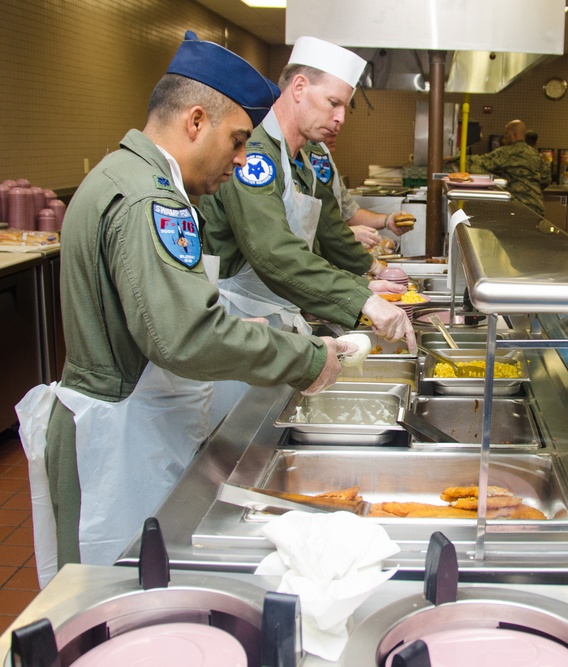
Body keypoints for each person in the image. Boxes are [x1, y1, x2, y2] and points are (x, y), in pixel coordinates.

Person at [28, 31, 353, 570]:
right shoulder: (149, 199)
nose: (241, 160)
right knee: (118, 607)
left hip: (135, 427)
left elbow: (160, 309)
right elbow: (185, 334)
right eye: (237, 140)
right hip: (120, 441)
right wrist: (307, 358)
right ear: (196, 121)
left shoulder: (132, 176)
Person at [200, 36, 415, 349]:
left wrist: (367, 279)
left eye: (345, 107)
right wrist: (362, 299)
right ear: (299, 87)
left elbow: (330, 229)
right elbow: (272, 250)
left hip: (280, 311)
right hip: (239, 319)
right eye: (333, 103)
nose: (341, 118)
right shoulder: (255, 154)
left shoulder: (302, 158)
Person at [321, 124, 414, 251]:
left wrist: (388, 220)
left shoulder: (327, 165)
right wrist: (346, 234)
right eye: (333, 105)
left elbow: (350, 214)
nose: (336, 129)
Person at [459, 119, 549, 216]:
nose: (504, 138)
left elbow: (480, 161)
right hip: (537, 209)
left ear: (514, 135)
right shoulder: (536, 154)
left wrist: (456, 157)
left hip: (516, 207)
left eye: (506, 134)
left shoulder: (506, 152)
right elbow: (546, 180)